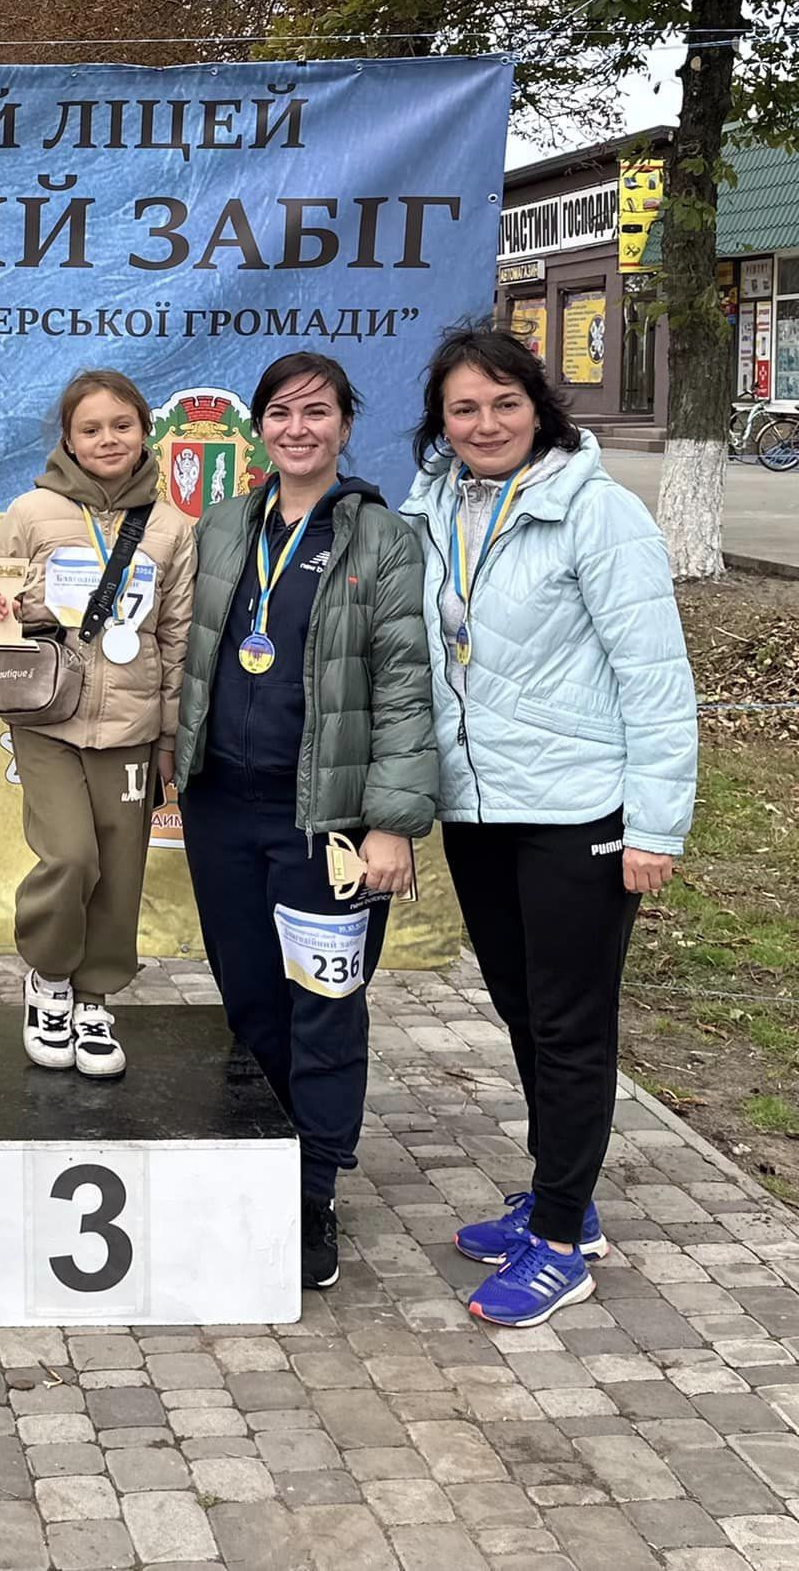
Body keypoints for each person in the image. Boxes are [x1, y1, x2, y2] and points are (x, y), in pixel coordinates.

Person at [400, 323, 696, 1328]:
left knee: (570, 1026)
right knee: (524, 1012)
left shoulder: (596, 515)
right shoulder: (430, 506)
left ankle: (561, 1243)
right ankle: (557, 1192)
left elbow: (654, 684)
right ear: (439, 423)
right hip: (476, 808)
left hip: (578, 812)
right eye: (462, 408)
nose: (484, 424)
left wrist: (653, 826)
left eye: (503, 403)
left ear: (539, 406)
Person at [173, 351, 436, 1290]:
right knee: (250, 1000)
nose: (297, 428)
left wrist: (393, 824)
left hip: (325, 820)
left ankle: (315, 1191)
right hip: (220, 808)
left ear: (345, 425)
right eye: (279, 413)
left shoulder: (384, 540)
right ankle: (264, 1160)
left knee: (323, 1005)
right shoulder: (223, 527)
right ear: (258, 430)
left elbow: (406, 689)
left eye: (316, 412)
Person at [0, 370, 195, 1077]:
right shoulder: (33, 512)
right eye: (90, 429)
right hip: (49, 718)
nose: (107, 440)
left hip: (130, 728)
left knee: (120, 871)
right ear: (68, 438)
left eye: (121, 426)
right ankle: (50, 979)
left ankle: (95, 998)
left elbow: (179, 636)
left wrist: (168, 737)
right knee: (70, 857)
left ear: (144, 432)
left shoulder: (172, 527)